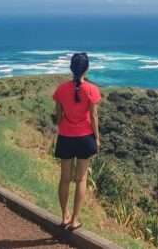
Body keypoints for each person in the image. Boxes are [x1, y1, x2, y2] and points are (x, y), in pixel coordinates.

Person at [52, 52, 101, 231]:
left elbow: (58, 117)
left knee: (64, 178)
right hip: (85, 138)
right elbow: (94, 116)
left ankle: (64, 216)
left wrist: (63, 122)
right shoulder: (92, 90)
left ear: (71, 68)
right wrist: (97, 137)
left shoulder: (61, 89)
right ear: (86, 68)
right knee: (81, 179)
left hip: (65, 137)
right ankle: (74, 219)